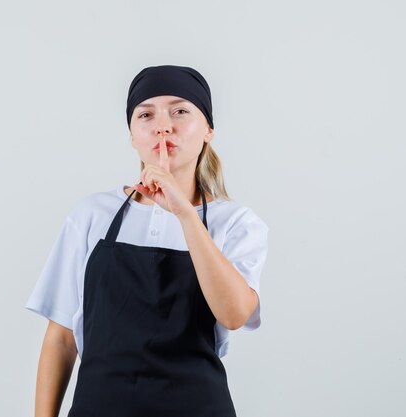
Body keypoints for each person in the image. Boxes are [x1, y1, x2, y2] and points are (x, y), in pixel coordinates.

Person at [25, 65, 269, 417]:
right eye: (146, 114)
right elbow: (62, 338)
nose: (162, 125)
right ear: (132, 134)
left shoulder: (236, 224)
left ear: (208, 131)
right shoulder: (93, 214)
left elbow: (233, 314)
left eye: (180, 111)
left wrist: (185, 213)